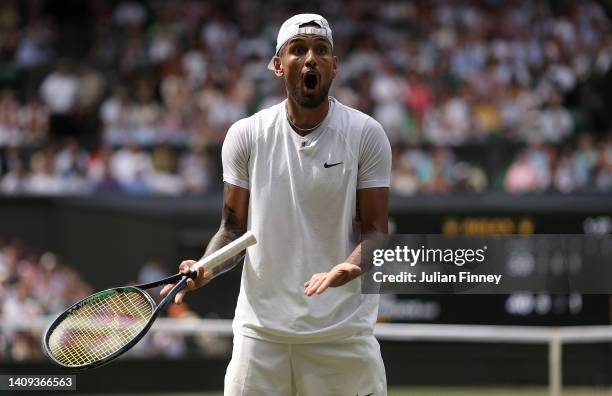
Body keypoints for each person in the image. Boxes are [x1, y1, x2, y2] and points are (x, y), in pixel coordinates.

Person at [161, 14, 391, 395]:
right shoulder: (246, 135)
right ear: (277, 65)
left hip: (342, 333)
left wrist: (349, 267)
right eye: (298, 50)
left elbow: (377, 233)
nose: (310, 58)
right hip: (261, 335)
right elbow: (232, 230)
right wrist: (206, 267)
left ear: (334, 66)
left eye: (321, 50)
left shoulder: (366, 134)